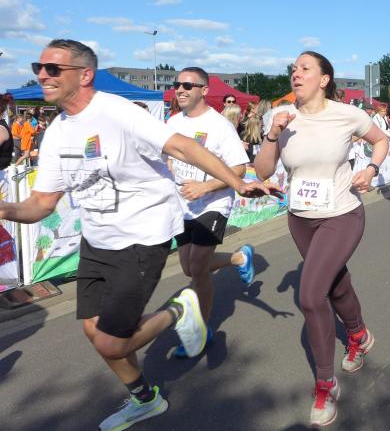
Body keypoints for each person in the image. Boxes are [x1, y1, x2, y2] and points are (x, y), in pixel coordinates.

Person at [0, 40, 272, 430]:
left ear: (85, 74)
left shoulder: (116, 111)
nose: (42, 75)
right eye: (38, 67)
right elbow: (41, 203)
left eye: (53, 69)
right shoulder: (58, 131)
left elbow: (181, 147)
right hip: (97, 240)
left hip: (142, 234)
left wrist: (236, 182)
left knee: (112, 341)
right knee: (93, 329)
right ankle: (146, 399)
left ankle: (181, 309)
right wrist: (5, 210)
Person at [254, 51, 389, 428]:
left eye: (305, 69)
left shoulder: (346, 114)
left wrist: (371, 169)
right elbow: (262, 170)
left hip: (342, 213)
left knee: (311, 295)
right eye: (293, 69)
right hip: (301, 218)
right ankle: (358, 335)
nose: (295, 74)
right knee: (334, 283)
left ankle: (326, 385)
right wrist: (273, 134)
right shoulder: (280, 116)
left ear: (324, 79)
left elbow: (381, 141)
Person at [167, 67, 257, 359]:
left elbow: (239, 169)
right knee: (188, 268)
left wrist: (205, 187)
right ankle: (238, 257)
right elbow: (167, 158)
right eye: (177, 84)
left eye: (188, 85)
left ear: (204, 90)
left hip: (213, 203)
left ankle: (201, 331)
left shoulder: (219, 126)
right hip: (183, 205)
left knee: (197, 268)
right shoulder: (172, 122)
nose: (180, 90)